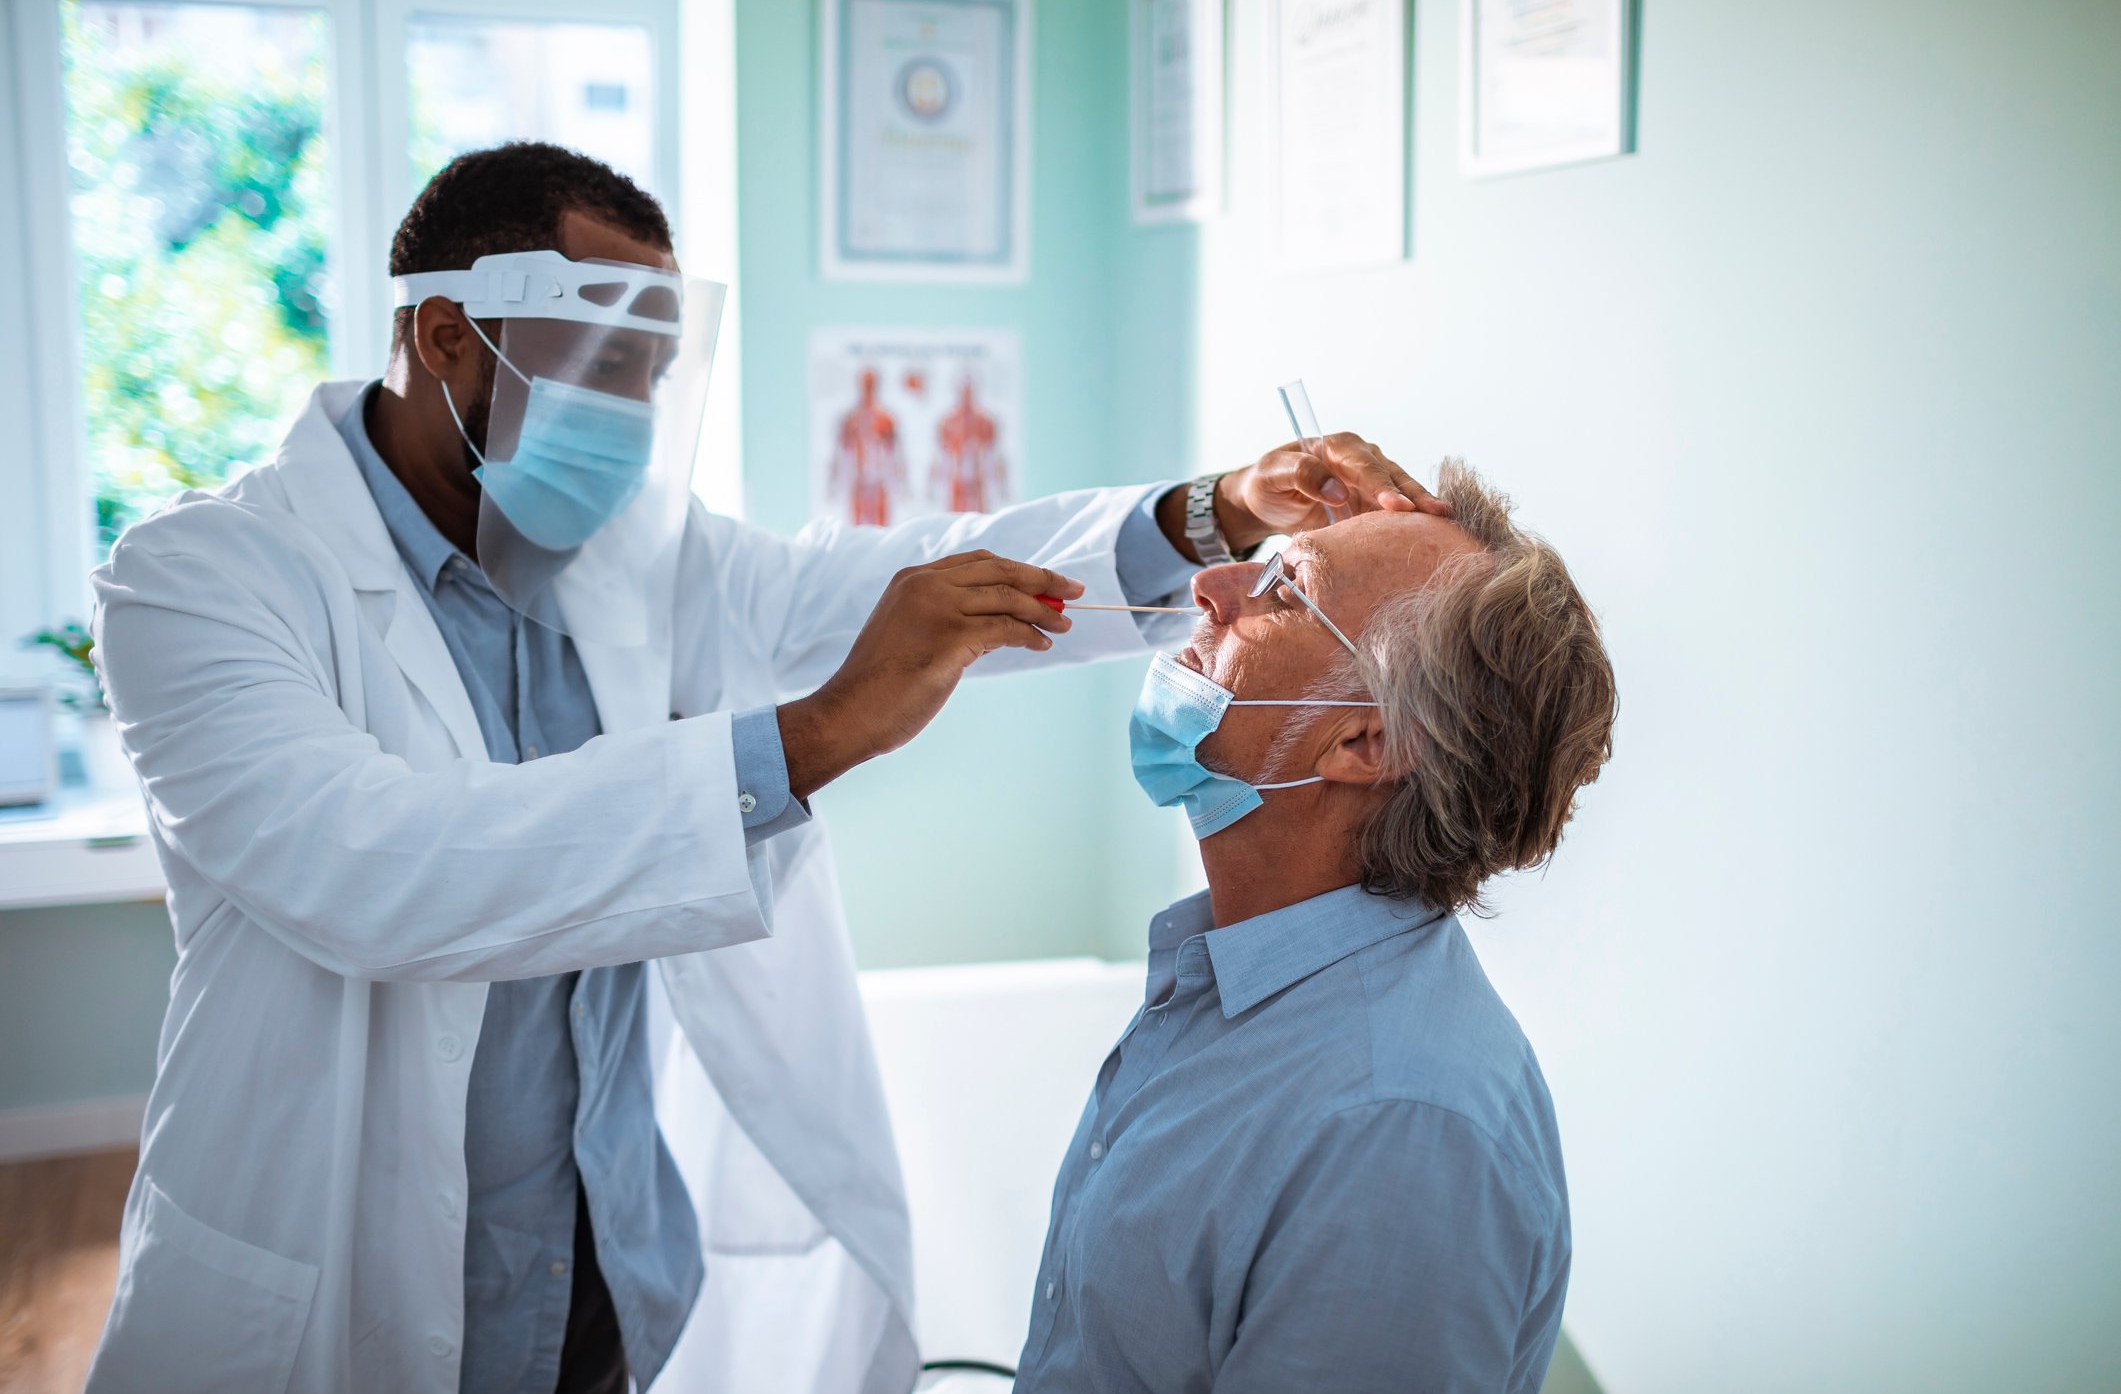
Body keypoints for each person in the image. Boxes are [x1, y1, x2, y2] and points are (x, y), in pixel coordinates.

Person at [82, 141, 1443, 1394]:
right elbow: (373, 869)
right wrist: (812, 735)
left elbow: (900, 579)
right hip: (340, 1293)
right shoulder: (200, 579)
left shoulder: (637, 556)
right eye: (599, 362)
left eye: (651, 376)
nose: (628, 412)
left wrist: (1208, 512)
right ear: (446, 333)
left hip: (598, 1276)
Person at [1015, 460, 1617, 1393]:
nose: (1211, 585)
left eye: (1284, 588)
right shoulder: (1231, 990)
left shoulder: (1395, 1132)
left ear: (1362, 742)